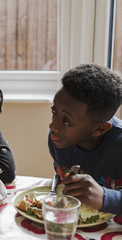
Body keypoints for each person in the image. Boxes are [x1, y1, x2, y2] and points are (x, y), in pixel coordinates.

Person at [49, 63, 122, 216]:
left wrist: (105, 198)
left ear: (99, 129)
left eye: (67, 121)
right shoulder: (58, 140)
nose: (53, 126)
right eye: (54, 112)